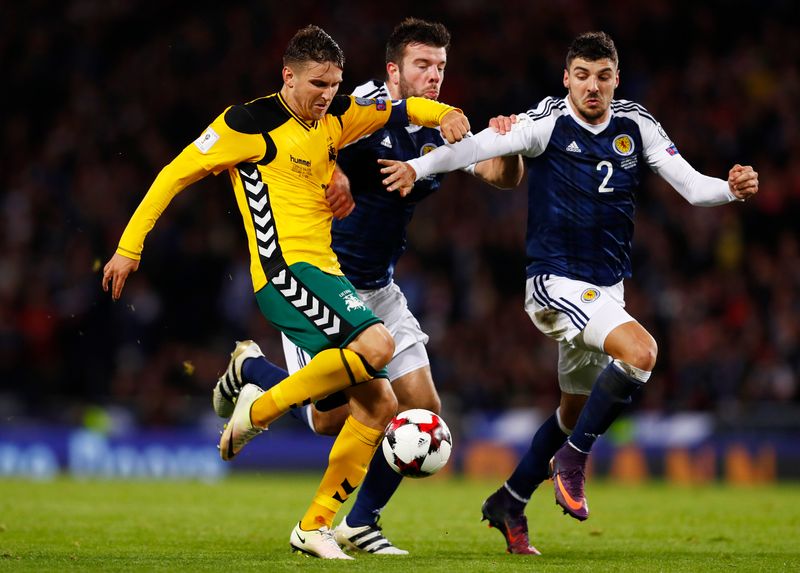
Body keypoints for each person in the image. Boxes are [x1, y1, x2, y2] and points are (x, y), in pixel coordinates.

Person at [379, 31, 759, 555]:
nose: (592, 87)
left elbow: (693, 187)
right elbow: (479, 148)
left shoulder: (636, 124)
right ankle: (574, 460)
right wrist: (415, 167)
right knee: (642, 352)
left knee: (572, 412)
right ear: (567, 78)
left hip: (606, 289)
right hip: (553, 283)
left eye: (603, 76)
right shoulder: (547, 122)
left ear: (616, 78)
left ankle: (509, 499)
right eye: (582, 76)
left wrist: (730, 188)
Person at [101, 24, 471, 560]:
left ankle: (315, 525)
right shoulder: (246, 123)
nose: (327, 95)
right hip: (283, 273)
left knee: (377, 403)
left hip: (329, 272)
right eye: (317, 84)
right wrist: (129, 247)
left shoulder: (337, 117)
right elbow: (173, 174)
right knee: (378, 349)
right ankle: (261, 410)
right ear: (288, 76)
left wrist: (448, 114)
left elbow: (402, 110)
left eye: (335, 84)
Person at [212, 17, 524, 556]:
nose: (433, 77)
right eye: (422, 65)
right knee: (327, 420)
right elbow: (308, 140)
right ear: (393, 70)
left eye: (440, 67)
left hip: (380, 290)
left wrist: (510, 143)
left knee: (423, 408)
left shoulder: (440, 127)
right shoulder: (358, 105)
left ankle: (360, 521)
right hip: (327, 284)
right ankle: (252, 369)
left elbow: (501, 175)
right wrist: (333, 174)